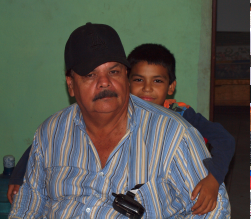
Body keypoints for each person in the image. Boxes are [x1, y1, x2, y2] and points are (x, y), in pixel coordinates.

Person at [9, 23, 230, 218]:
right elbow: (28, 207)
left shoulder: (173, 135)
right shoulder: (51, 133)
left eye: (113, 71)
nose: (104, 82)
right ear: (70, 84)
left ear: (125, 74)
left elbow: (215, 211)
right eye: (90, 75)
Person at [127, 43, 235, 215]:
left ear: (171, 87)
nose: (147, 88)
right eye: (138, 79)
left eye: (157, 81)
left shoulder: (181, 114)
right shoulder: (119, 117)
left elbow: (225, 140)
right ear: (126, 83)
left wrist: (213, 179)